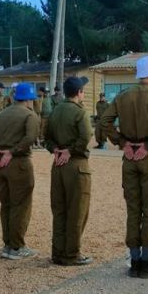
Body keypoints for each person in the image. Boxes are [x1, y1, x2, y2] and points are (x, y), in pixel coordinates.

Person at [100, 56, 148, 279]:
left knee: (133, 208)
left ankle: (134, 261)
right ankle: (147, 262)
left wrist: (122, 143)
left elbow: (104, 122)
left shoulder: (123, 96)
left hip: (129, 156)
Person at [0, 82, 40, 260]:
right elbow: (30, 137)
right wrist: (12, 151)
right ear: (30, 99)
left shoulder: (1, 115)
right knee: (21, 205)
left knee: (6, 204)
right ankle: (17, 247)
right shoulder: (30, 115)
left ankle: (8, 245)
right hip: (18, 163)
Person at [45, 76, 93, 266]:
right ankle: (72, 254)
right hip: (76, 165)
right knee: (77, 210)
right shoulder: (80, 112)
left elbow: (46, 137)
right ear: (79, 92)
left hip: (58, 165)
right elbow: (85, 136)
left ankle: (58, 253)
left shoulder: (55, 110)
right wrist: (70, 151)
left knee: (59, 210)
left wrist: (56, 150)